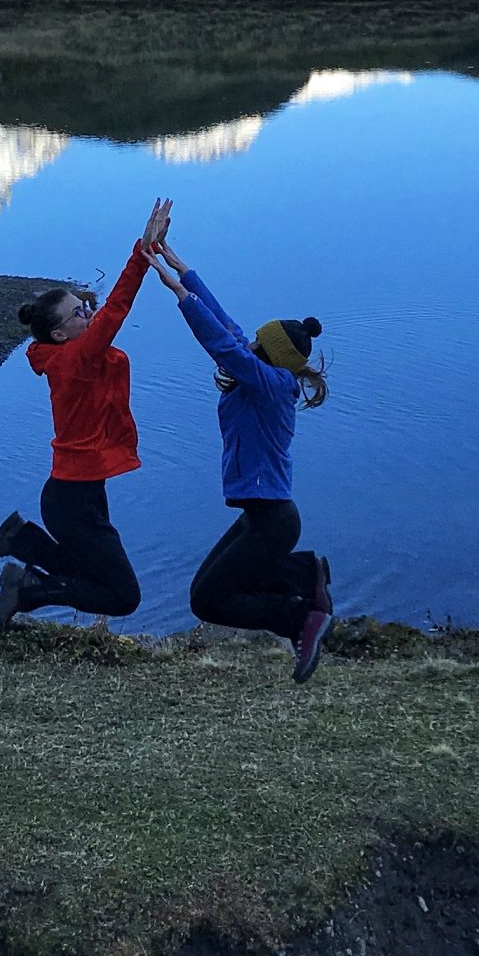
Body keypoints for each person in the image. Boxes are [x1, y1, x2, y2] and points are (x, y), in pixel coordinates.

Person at [148, 239, 337, 682]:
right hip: (264, 516)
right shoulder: (267, 372)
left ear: (269, 355)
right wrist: (184, 270)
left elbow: (225, 347)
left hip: (272, 519)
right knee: (203, 594)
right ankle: (305, 572)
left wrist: (179, 296)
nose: (248, 341)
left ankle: (299, 618)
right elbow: (229, 330)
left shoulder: (269, 384)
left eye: (257, 342)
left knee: (211, 600)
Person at [0, 198, 171, 637]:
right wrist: (141, 253)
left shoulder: (74, 354)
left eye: (85, 304)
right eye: (80, 311)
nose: (89, 310)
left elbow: (107, 316)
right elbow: (117, 308)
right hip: (71, 500)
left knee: (98, 577)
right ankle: (24, 590)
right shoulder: (74, 360)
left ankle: (22, 542)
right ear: (60, 333)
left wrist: (150, 248)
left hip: (78, 493)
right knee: (123, 596)